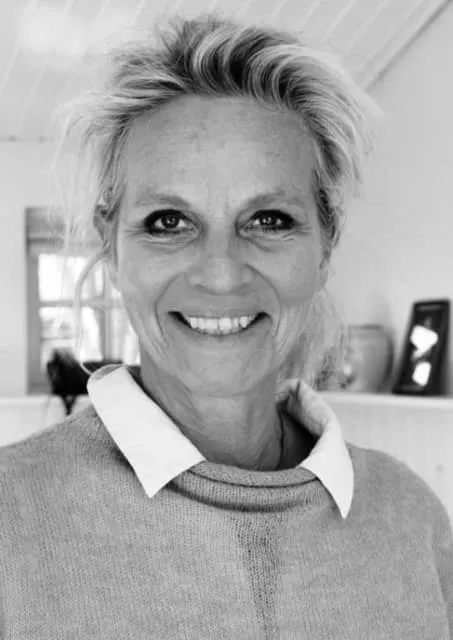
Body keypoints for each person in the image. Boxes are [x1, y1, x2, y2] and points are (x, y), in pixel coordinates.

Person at [1, 14, 452, 639]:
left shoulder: (413, 519)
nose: (220, 275)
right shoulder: (11, 520)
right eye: (168, 222)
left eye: (268, 220)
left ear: (324, 247)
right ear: (112, 249)